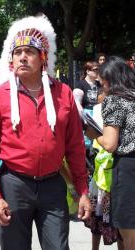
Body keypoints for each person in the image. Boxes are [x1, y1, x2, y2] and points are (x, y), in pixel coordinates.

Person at [0, 15, 90, 250]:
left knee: (58, 247)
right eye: (17, 52)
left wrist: (82, 191)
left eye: (29, 51)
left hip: (52, 185)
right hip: (14, 185)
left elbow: (75, 147)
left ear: (43, 58)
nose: (22, 57)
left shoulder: (64, 93)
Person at [86, 56, 135, 250]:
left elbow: (110, 143)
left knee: (128, 230)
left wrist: (92, 133)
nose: (100, 82)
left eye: (103, 78)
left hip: (127, 168)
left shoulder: (114, 100)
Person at [84, 78, 123, 249]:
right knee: (97, 218)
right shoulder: (99, 108)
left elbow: (110, 143)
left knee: (120, 220)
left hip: (116, 170)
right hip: (100, 168)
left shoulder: (121, 107)